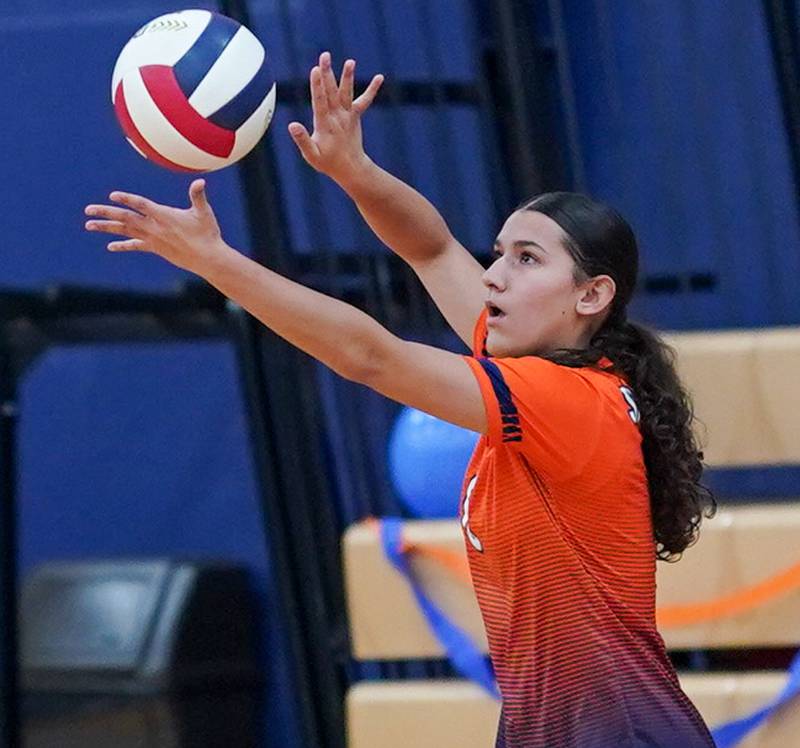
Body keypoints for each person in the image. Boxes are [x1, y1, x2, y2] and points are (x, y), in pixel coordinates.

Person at [85, 51, 717, 748]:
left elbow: (370, 357)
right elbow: (433, 247)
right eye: (501, 252)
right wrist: (357, 173)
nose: (495, 276)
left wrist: (216, 262)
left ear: (592, 295)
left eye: (527, 260)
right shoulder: (549, 361)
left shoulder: (567, 398)